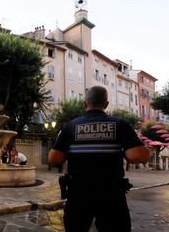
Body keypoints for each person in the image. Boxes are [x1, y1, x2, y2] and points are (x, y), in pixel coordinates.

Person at [48, 86, 150, 232]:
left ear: (85, 104)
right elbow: (139, 156)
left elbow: (54, 159)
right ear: (106, 104)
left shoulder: (71, 126)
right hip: (111, 195)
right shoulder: (120, 125)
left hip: (78, 194)